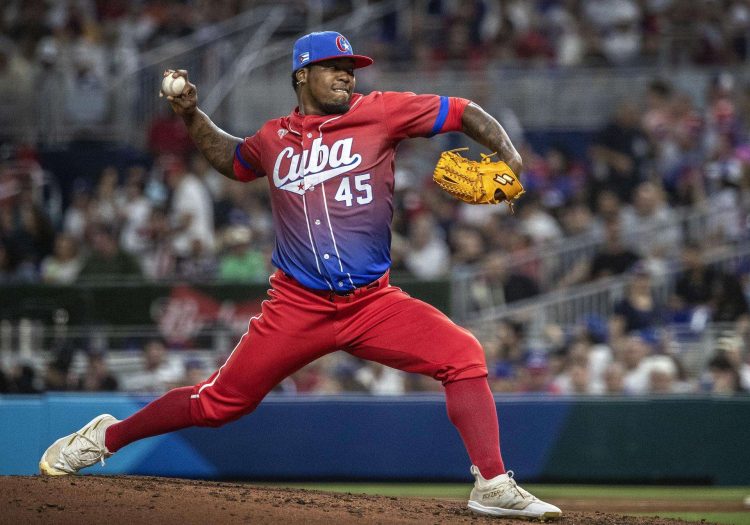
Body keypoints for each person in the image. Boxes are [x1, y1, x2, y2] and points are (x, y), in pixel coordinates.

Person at [40, 31, 561, 520]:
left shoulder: (381, 113)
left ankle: (491, 484)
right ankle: (105, 438)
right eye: (332, 68)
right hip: (297, 306)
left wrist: (509, 155)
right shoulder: (273, 139)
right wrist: (192, 114)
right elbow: (231, 158)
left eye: (349, 68)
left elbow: (462, 110)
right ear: (301, 75)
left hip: (372, 304)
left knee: (463, 355)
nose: (346, 76)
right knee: (219, 404)